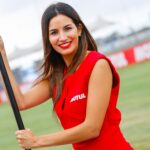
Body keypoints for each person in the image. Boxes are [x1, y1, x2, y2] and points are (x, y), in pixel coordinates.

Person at [0, 2, 134, 150]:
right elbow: (20, 102)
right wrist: (2, 55)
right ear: (48, 38)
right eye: (54, 32)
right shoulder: (56, 76)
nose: (62, 37)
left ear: (79, 29)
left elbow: (92, 128)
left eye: (67, 28)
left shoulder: (97, 64)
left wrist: (37, 141)